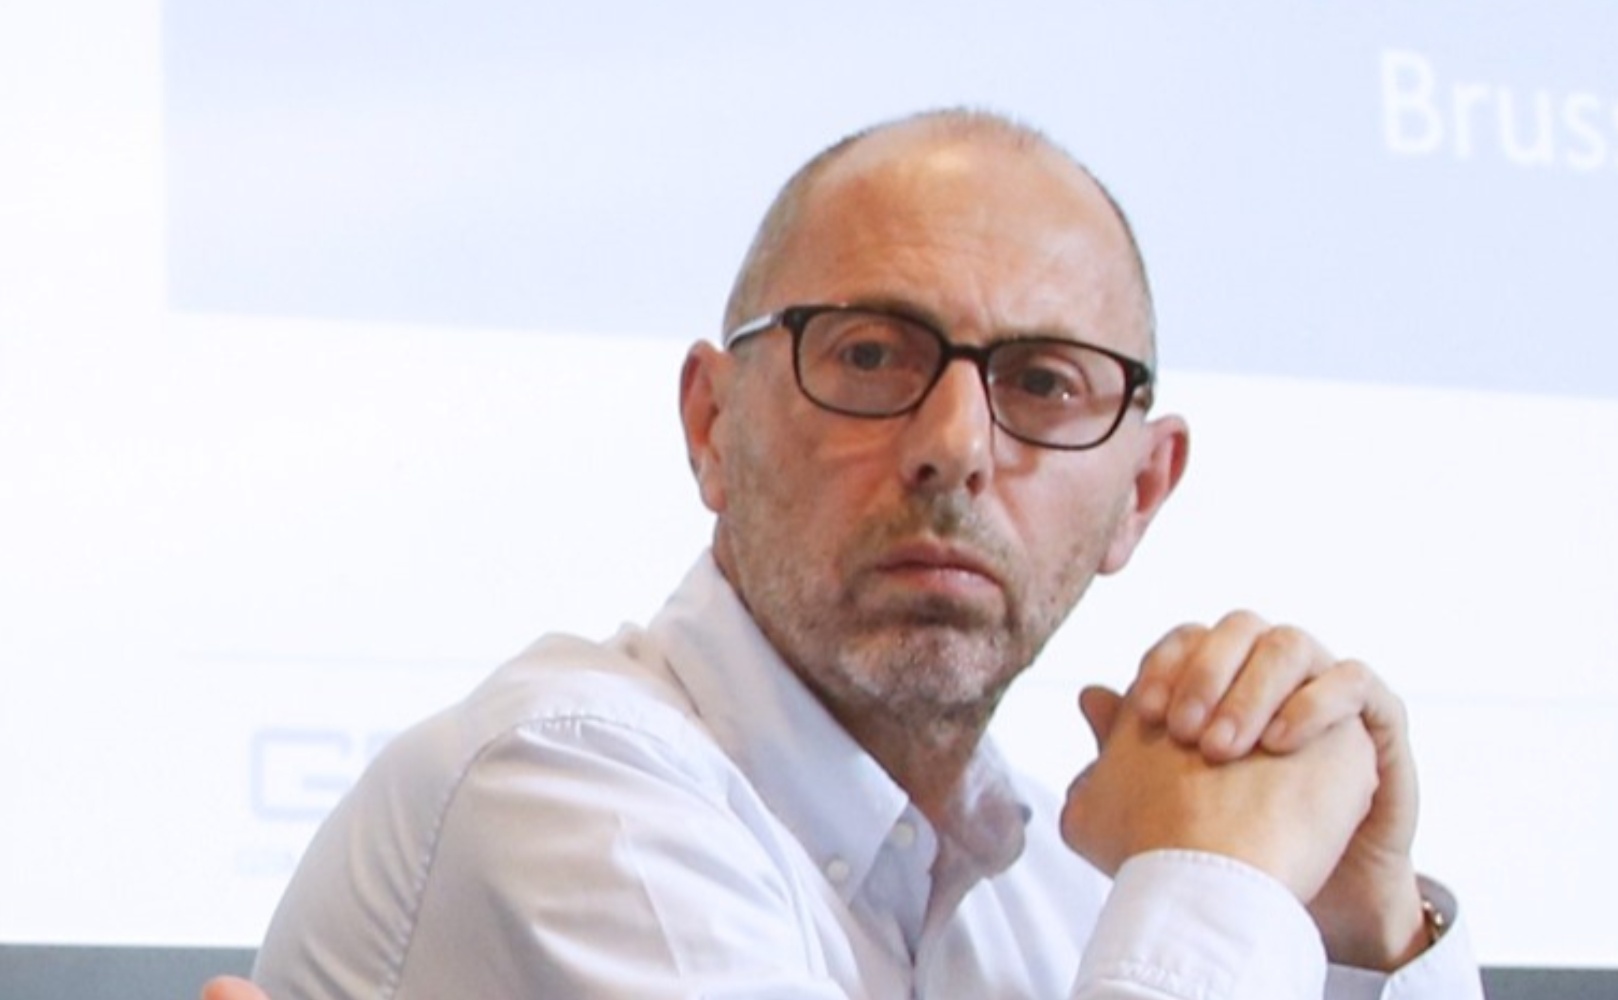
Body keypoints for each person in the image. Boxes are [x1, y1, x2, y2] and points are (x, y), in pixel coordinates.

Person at [243, 108, 1484, 998]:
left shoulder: (1063, 887)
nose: (956, 447)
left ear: (1141, 495)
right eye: (872, 355)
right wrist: (1221, 877)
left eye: (1043, 382)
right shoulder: (568, 783)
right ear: (711, 424)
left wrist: (1353, 937)